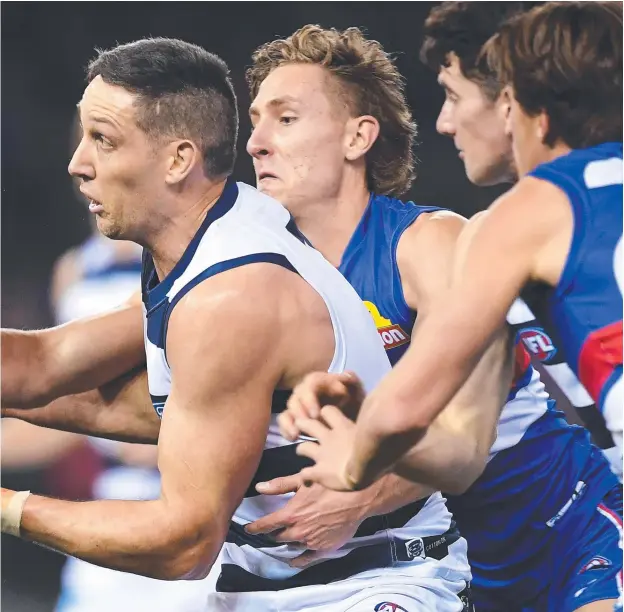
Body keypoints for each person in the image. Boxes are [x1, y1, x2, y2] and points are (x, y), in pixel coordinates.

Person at [1, 37, 473, 612]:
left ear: (178, 159)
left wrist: (8, 508)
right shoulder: (205, 243)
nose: (78, 163)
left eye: (103, 139)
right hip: (262, 583)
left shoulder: (233, 293)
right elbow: (46, 367)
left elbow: (185, 544)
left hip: (366, 584)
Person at [254, 17, 622, 612]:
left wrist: (362, 484)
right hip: (469, 564)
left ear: (358, 137)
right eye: (255, 121)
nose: (256, 142)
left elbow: (452, 439)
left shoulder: (436, 241)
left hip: (571, 533)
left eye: (286, 118)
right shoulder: (262, 273)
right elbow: (450, 448)